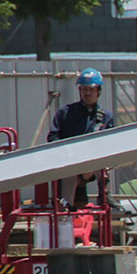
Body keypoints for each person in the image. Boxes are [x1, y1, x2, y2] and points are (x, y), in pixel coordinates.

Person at [47, 68, 115, 209]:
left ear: (98, 91)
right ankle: (65, 210)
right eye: (84, 89)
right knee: (65, 205)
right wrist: (67, 151)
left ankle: (105, 197)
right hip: (69, 164)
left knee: (102, 160)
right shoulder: (65, 113)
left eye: (91, 89)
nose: (87, 93)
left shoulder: (105, 117)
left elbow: (111, 144)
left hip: (92, 165)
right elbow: (53, 137)